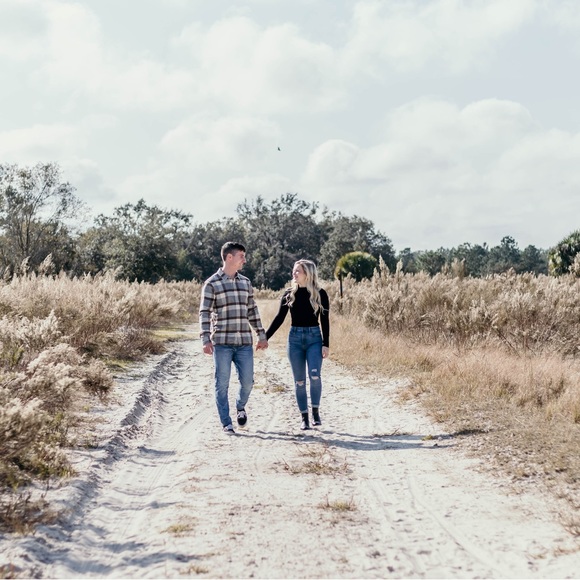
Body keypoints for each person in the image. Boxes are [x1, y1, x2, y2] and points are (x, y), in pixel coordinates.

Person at [199, 241, 268, 434]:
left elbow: (252, 311)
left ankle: (240, 406)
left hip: (244, 342)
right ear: (229, 257)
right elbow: (204, 313)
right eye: (241, 256)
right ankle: (226, 423)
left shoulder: (246, 282)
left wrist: (261, 335)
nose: (244, 260)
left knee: (248, 382)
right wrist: (205, 339)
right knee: (221, 384)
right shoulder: (211, 283)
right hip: (222, 343)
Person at [266, 259, 329, 430]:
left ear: (307, 273)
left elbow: (325, 320)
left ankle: (315, 412)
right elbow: (279, 318)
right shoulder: (289, 294)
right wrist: (265, 337)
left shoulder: (320, 293)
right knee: (299, 381)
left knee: (315, 375)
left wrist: (326, 344)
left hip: (314, 338)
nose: (294, 274)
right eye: (293, 271)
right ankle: (304, 417)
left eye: (297, 271)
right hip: (294, 339)